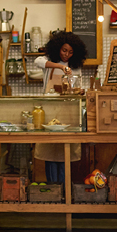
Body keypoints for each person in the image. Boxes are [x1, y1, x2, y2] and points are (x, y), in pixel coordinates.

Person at [33, 31, 87, 183]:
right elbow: (37, 62)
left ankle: (64, 189)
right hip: (49, 112)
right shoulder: (48, 61)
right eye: (64, 50)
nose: (67, 55)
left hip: (68, 112)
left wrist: (79, 90)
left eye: (70, 52)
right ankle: (53, 188)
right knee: (49, 150)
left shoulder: (75, 67)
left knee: (66, 150)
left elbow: (77, 87)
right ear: (58, 48)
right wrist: (59, 66)